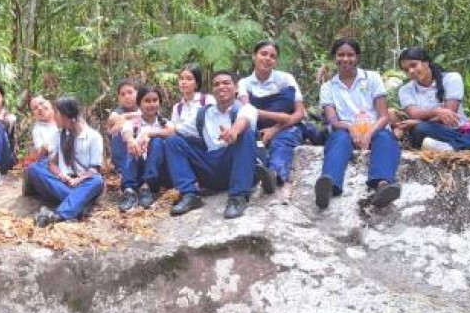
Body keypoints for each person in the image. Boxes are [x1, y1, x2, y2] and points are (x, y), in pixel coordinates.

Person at [315, 38, 401, 209]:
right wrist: (350, 128)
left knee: (385, 137)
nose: (345, 59)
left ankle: (382, 186)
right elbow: (333, 120)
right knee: (338, 139)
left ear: (358, 57)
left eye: (350, 55)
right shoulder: (328, 87)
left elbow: (383, 116)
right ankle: (328, 186)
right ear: (334, 57)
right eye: (341, 55)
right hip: (345, 130)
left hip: (374, 128)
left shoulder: (372, 78)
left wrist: (369, 133)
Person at [166, 70, 260, 219]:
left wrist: (234, 131)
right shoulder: (204, 114)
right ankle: (190, 194)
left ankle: (238, 197)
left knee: (245, 133)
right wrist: (146, 135)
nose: (221, 87)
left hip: (233, 164)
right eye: (216, 84)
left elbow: (245, 118)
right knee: (173, 141)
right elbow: (175, 129)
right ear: (212, 90)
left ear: (236, 88)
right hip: (210, 166)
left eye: (226, 83)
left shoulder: (245, 108)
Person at [396, 47, 470, 152]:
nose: (411, 71)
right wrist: (436, 111)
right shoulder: (405, 90)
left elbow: (449, 115)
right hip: (435, 132)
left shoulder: (452, 78)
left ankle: (451, 147)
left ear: (426, 62)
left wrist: (419, 121)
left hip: (458, 130)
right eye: (406, 70)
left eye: (414, 65)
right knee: (420, 129)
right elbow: (414, 113)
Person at [238, 40, 306, 191]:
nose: (268, 58)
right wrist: (280, 115)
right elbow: (246, 111)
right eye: (263, 54)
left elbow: (299, 113)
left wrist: (275, 128)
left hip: (287, 127)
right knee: (254, 145)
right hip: (258, 129)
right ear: (254, 56)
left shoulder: (285, 79)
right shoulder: (244, 83)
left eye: (272, 56)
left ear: (275, 62)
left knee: (281, 143)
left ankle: (274, 176)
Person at [26, 97, 105, 226]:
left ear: (67, 116)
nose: (54, 116)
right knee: (34, 169)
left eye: (56, 113)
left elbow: (94, 169)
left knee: (97, 180)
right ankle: (79, 204)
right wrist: (61, 175)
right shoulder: (58, 135)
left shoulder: (93, 137)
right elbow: (52, 163)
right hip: (63, 182)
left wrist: (77, 180)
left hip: (83, 182)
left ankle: (59, 214)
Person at [116, 84, 174, 211]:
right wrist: (132, 141)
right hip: (137, 166)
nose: (151, 104)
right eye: (147, 101)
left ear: (160, 102)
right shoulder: (133, 122)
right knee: (128, 145)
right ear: (139, 103)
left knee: (158, 141)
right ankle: (129, 190)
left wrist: (149, 133)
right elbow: (126, 131)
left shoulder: (164, 123)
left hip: (156, 172)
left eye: (155, 100)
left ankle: (146, 188)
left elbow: (172, 131)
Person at [106, 79, 142, 208]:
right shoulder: (118, 111)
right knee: (118, 131)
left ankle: (135, 186)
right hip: (124, 156)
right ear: (119, 98)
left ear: (137, 93)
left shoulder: (146, 105)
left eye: (130, 92)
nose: (127, 96)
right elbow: (112, 119)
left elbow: (152, 117)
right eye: (122, 94)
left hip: (144, 154)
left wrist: (127, 117)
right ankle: (129, 189)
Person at [170, 63, 214, 145]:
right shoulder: (177, 107)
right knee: (170, 141)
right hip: (186, 145)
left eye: (189, 79)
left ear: (196, 84)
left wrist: (175, 128)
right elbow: (173, 131)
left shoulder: (207, 100)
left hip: (206, 145)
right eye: (181, 79)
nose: (184, 82)